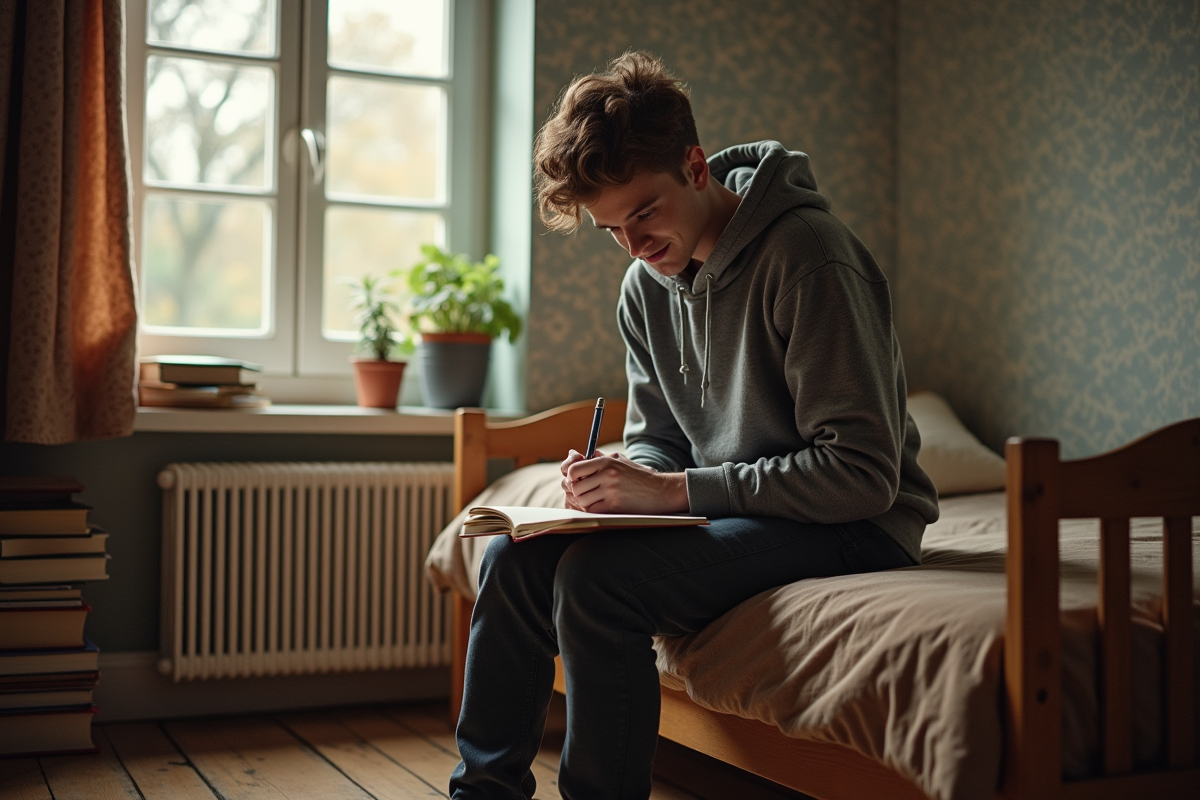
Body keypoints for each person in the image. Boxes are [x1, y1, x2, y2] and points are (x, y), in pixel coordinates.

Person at [450, 51, 939, 800]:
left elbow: (863, 474)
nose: (636, 246)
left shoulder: (808, 257)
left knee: (597, 584)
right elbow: (662, 437)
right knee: (512, 562)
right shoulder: (644, 286)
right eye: (613, 229)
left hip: (854, 523)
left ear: (695, 164)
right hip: (737, 508)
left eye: (644, 212)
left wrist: (673, 491)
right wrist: (622, 481)